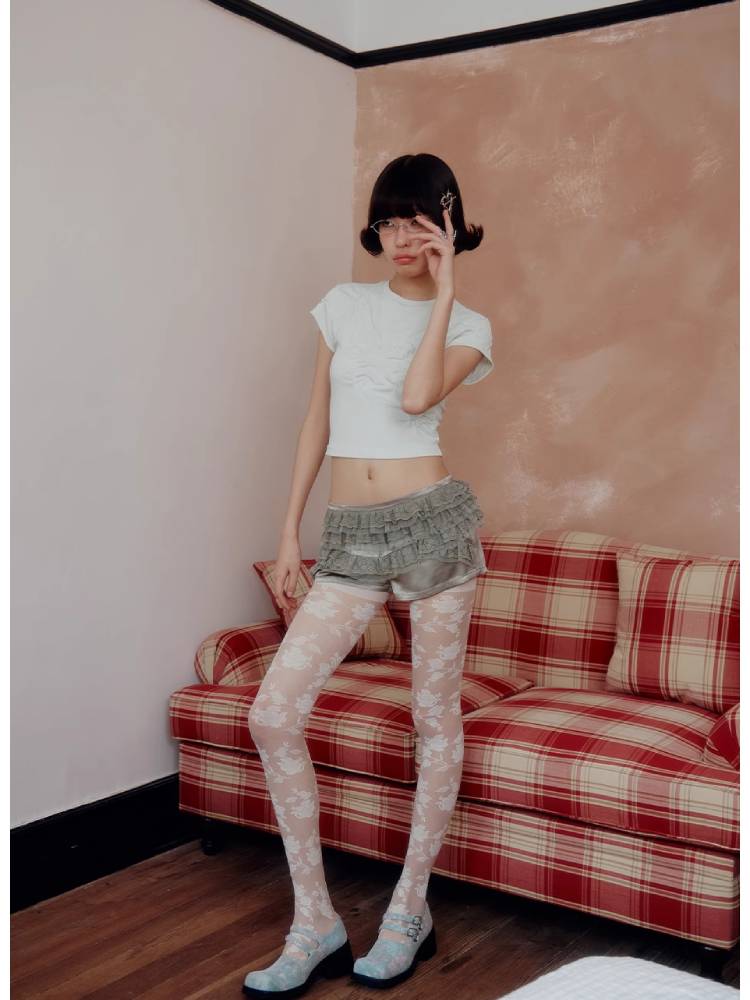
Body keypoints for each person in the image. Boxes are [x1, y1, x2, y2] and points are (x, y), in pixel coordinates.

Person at [243, 153, 494, 997]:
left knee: (433, 720)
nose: (399, 237)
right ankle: (314, 921)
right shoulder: (343, 305)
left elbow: (417, 399)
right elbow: (317, 418)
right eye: (388, 221)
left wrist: (446, 288)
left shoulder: (471, 325)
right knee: (273, 712)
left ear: (448, 221)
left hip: (433, 528)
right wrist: (290, 532)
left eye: (417, 221)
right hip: (349, 535)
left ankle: (408, 912)